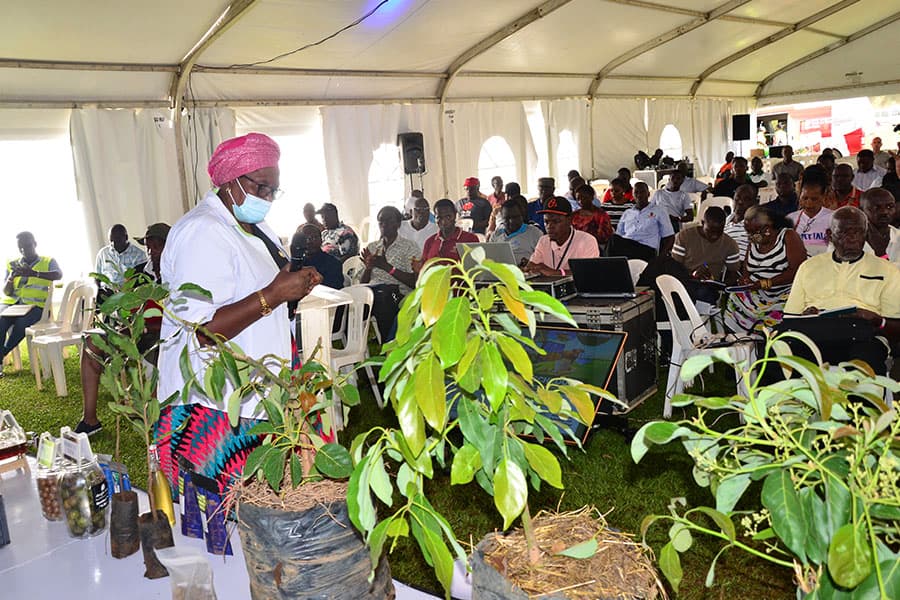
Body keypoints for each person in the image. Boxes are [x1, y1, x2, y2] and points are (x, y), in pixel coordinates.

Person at [155, 132, 323, 497]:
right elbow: (200, 331)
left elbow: (259, 286)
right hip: (215, 399)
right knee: (221, 511)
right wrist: (274, 294)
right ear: (231, 182)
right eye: (262, 187)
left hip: (260, 382)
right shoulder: (202, 232)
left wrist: (291, 286)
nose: (267, 198)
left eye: (273, 190)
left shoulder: (256, 225)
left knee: (268, 505)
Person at [75, 223, 170, 435]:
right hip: (131, 331)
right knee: (91, 344)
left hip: (161, 335)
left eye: (157, 246)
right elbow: (125, 307)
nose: (151, 251)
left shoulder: (177, 273)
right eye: (148, 246)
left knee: (160, 355)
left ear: (170, 247)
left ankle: (154, 416)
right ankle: (90, 420)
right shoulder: (136, 273)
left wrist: (142, 326)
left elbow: (178, 316)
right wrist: (124, 321)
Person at [782, 206, 899, 376]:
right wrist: (806, 317)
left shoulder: (887, 271)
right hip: (814, 336)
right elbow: (790, 319)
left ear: (865, 235)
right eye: (844, 232)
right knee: (780, 357)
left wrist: (876, 320)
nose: (851, 239)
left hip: (864, 337)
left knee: (864, 365)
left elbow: (896, 330)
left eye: (857, 232)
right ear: (829, 235)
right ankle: (776, 403)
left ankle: (858, 404)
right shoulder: (809, 267)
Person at [723, 205, 806, 334]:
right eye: (747, 231)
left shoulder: (788, 236)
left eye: (752, 232)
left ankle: (769, 340)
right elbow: (747, 269)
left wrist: (766, 283)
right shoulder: (754, 240)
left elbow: (797, 270)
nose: (749, 236)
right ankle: (742, 339)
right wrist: (745, 280)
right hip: (758, 291)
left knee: (779, 312)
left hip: (784, 293)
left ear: (767, 229)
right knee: (735, 298)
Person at [0, 232, 62, 376]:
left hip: (36, 306)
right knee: (1, 322)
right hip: (12, 304)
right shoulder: (12, 264)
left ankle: (2, 354)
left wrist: (34, 273)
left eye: (26, 246)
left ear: (35, 244)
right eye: (20, 247)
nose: (23, 250)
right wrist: (10, 279)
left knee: (22, 324)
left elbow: (58, 274)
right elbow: (6, 292)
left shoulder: (48, 261)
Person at [360, 206, 419, 340]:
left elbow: (414, 282)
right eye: (381, 221)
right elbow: (361, 283)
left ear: (398, 224)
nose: (384, 225)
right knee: (352, 300)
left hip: (397, 294)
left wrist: (387, 267)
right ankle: (352, 346)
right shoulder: (373, 247)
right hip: (371, 292)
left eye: (389, 220)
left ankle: (387, 346)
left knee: (383, 298)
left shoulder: (409, 247)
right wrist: (368, 268)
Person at [671, 206, 741, 303]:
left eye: (719, 232)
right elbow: (674, 267)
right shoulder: (685, 236)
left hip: (709, 287)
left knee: (704, 293)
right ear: (702, 223)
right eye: (710, 231)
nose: (714, 236)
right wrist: (693, 274)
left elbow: (733, 274)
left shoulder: (730, 244)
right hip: (684, 281)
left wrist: (720, 284)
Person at [524, 197, 599, 276]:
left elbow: (588, 273)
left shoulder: (587, 241)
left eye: (556, 221)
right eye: (546, 221)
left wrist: (555, 273)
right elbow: (532, 266)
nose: (549, 226)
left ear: (569, 220)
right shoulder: (543, 240)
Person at [609, 181, 675, 262]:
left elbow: (669, 236)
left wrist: (661, 257)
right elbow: (619, 235)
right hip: (628, 248)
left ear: (648, 194)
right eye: (636, 192)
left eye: (642, 192)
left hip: (647, 249)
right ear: (632, 195)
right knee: (612, 239)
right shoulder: (627, 213)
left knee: (613, 242)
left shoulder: (659, 211)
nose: (639, 195)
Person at [788, 167, 833, 257]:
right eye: (805, 198)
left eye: (814, 199)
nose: (809, 203)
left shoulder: (833, 218)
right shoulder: (790, 219)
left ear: (823, 196)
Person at [94, 224, 147, 300]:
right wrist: (98, 290)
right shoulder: (103, 253)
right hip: (105, 295)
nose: (114, 244)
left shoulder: (139, 255)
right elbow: (97, 277)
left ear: (126, 237)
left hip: (127, 295)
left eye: (117, 240)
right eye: (111, 241)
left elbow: (141, 281)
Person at [419, 199, 479, 265]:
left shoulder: (470, 239)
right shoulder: (430, 242)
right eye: (439, 217)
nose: (444, 221)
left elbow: (475, 268)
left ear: (455, 215)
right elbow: (424, 268)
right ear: (435, 218)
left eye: (448, 217)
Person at [489, 199, 543, 266]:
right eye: (507, 218)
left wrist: (530, 263)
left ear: (522, 216)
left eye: (515, 217)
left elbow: (544, 259)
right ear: (502, 218)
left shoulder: (534, 233)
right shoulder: (496, 234)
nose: (511, 221)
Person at [295, 224, 343, 290]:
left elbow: (331, 292)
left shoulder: (333, 264)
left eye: (314, 237)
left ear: (321, 240)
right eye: (305, 238)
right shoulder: (296, 264)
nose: (309, 242)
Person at [860, 187, 899, 265]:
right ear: (861, 211)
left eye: (889, 207)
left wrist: (881, 253)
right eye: (876, 207)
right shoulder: (849, 240)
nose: (884, 212)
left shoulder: (898, 237)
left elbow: (895, 276)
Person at [724, 184, 759, 258]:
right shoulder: (725, 220)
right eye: (737, 198)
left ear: (755, 202)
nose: (740, 202)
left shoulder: (754, 224)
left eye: (746, 199)